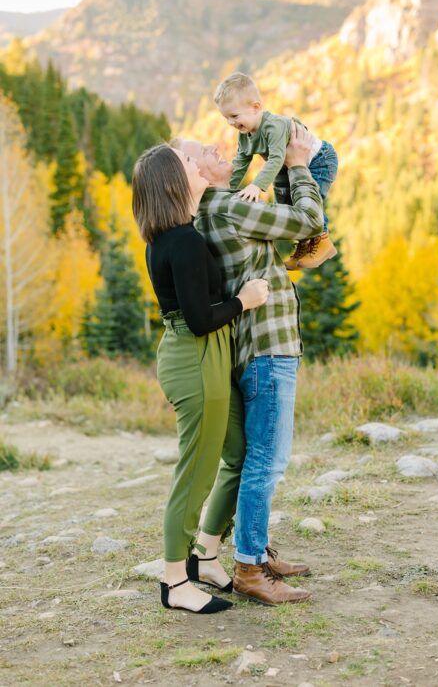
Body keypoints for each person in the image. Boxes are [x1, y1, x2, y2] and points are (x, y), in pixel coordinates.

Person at [174, 123, 325, 605]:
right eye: (203, 153)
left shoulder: (217, 209)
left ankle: (254, 554)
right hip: (268, 345)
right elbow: (306, 221)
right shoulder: (224, 206)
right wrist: (299, 165)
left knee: (260, 459)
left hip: (258, 345)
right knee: (267, 461)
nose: (217, 150)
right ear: (192, 173)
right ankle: (249, 568)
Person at [131, 144, 269, 613]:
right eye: (188, 163)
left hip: (205, 355)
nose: (196, 163)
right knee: (195, 472)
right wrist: (246, 300)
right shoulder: (181, 241)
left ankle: (206, 554)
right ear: (174, 181)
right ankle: (174, 583)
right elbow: (199, 319)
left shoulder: (178, 233)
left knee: (240, 454)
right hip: (195, 357)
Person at [213, 71, 338, 269]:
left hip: (318, 160)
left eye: (234, 116)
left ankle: (322, 242)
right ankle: (304, 245)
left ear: (256, 107)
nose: (231, 123)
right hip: (289, 167)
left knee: (311, 200)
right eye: (226, 118)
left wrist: (257, 186)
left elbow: (278, 158)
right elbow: (240, 163)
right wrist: (227, 189)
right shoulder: (245, 135)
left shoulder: (273, 127)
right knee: (287, 204)